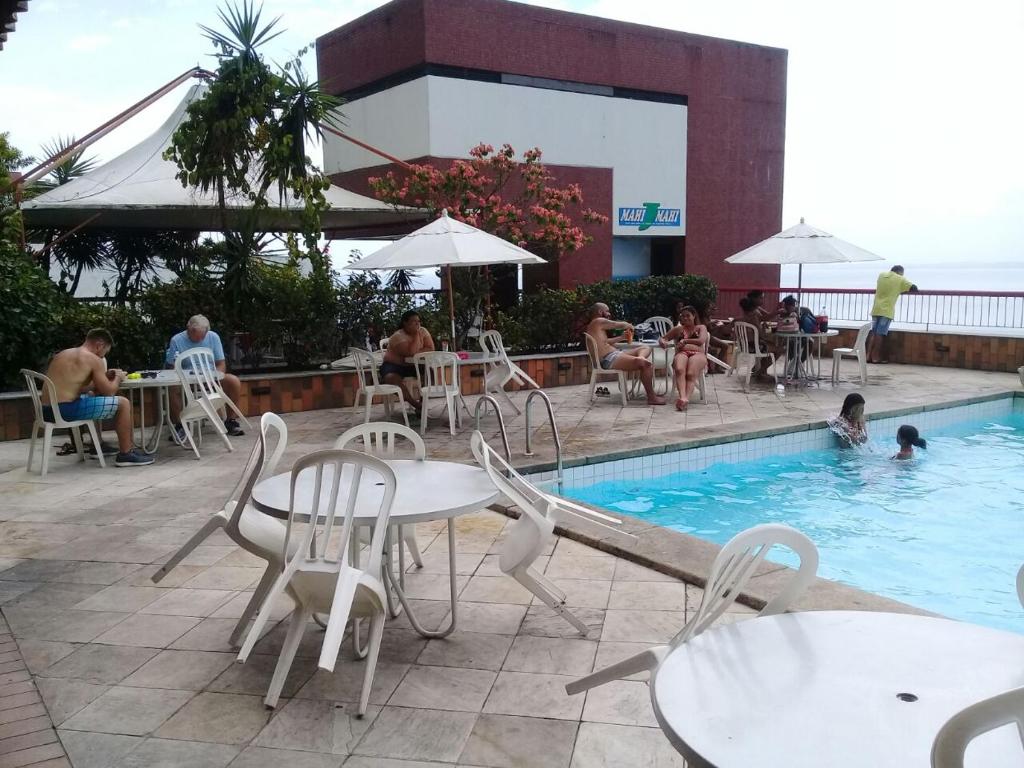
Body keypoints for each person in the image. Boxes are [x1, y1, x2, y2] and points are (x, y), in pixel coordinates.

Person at [42, 328, 153, 467]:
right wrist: (118, 377)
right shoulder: (93, 359)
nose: (103, 355)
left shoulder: (63, 354)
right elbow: (109, 392)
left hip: (46, 411)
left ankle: (99, 446)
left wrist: (104, 378)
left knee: (89, 395)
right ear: (99, 345)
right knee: (123, 403)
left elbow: (76, 388)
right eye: (106, 351)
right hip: (64, 411)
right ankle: (126, 454)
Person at [166, 315, 245, 440]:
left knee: (233, 381)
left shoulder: (213, 337)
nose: (199, 338)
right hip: (187, 380)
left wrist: (215, 377)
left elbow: (221, 363)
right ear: (188, 328)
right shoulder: (176, 340)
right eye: (195, 334)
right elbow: (171, 367)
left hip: (210, 377)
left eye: (202, 335)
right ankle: (180, 425)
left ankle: (230, 421)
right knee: (172, 388)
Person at [585, 303, 666, 405]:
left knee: (646, 347)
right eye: (607, 311)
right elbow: (616, 325)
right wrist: (629, 325)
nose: (609, 314)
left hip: (615, 354)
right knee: (646, 365)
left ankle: (640, 357)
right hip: (609, 359)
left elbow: (605, 342)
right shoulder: (598, 321)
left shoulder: (594, 326)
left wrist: (621, 337)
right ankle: (652, 397)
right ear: (600, 312)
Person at [380, 310, 435, 413]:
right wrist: (416, 335)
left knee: (429, 372)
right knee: (391, 379)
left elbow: (430, 348)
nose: (417, 324)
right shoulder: (398, 336)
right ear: (405, 323)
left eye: (418, 321)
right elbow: (411, 353)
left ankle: (423, 403)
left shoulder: (423, 331)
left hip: (413, 364)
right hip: (394, 365)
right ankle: (416, 405)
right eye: (414, 321)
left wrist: (417, 350)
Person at [660, 305, 708, 410]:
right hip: (683, 353)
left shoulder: (701, 327)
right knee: (679, 369)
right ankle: (683, 398)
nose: (685, 318)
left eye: (688, 315)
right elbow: (664, 338)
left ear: (694, 316)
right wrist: (663, 342)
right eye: (682, 316)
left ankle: (686, 398)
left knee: (691, 373)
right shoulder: (678, 329)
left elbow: (701, 340)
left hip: (697, 353)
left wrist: (685, 341)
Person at [868, 266, 918, 364]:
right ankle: (875, 357)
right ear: (900, 272)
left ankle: (867, 356)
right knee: (880, 334)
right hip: (886, 310)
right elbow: (914, 288)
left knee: (873, 333)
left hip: (876, 308)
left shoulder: (881, 275)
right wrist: (900, 290)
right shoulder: (900, 279)